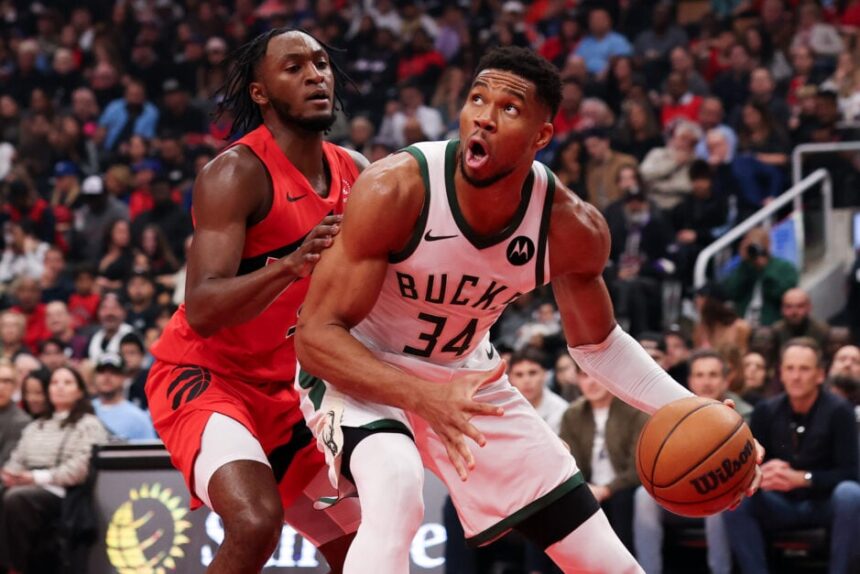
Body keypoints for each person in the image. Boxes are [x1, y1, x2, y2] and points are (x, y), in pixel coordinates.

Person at [295, 46, 761, 573]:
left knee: (608, 562)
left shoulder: (570, 227)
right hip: (358, 370)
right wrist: (423, 396)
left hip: (465, 376)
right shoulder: (398, 187)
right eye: (476, 99)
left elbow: (599, 346)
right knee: (397, 487)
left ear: (543, 136)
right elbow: (315, 336)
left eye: (509, 109)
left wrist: (697, 412)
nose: (484, 118)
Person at [144, 29, 367, 573]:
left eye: (320, 63)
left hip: (293, 392)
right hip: (207, 378)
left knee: (363, 544)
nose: (316, 75)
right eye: (294, 68)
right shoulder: (236, 173)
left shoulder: (357, 171)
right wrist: (291, 264)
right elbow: (203, 306)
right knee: (254, 523)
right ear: (260, 92)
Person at [724, 339, 860, 574]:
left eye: (804, 369)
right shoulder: (766, 410)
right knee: (738, 497)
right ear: (781, 374)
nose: (796, 376)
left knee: (850, 494)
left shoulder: (840, 411)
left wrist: (803, 478)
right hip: (779, 503)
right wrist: (763, 473)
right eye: (790, 369)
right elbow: (752, 465)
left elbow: (851, 472)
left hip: (824, 503)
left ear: (820, 375)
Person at [634, 350, 752, 574]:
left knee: (721, 497)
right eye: (699, 375)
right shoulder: (669, 412)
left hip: (721, 492)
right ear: (689, 380)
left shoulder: (745, 412)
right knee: (643, 495)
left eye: (713, 375)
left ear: (726, 380)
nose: (706, 382)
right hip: (681, 493)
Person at [1, 366, 108, 573]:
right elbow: (17, 459)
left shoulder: (88, 424)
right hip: (27, 485)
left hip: (64, 493)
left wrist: (36, 477)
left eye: (67, 383)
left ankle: (16, 568)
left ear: (79, 391)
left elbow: (80, 468)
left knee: (17, 499)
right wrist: (9, 475)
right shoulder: (35, 426)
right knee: (9, 493)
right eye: (54, 382)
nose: (59, 387)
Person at [560, 368, 648, 552]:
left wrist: (607, 489)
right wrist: (585, 489)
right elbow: (567, 464)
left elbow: (638, 467)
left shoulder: (635, 411)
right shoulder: (572, 415)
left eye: (596, 375)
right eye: (584, 376)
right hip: (586, 488)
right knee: (556, 505)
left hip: (624, 489)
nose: (591, 382)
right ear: (577, 379)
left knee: (622, 502)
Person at [722, 227, 798, 327]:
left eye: (758, 244)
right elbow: (730, 291)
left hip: (772, 324)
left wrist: (765, 268)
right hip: (744, 324)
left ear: (768, 244)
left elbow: (783, 295)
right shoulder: (743, 268)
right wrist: (744, 263)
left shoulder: (784, 267)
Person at [91, 352, 155, 441]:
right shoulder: (83, 410)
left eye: (114, 372)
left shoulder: (138, 418)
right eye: (102, 372)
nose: (107, 377)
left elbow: (150, 453)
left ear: (124, 377)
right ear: (94, 376)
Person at [509, 347, 568, 433]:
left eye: (532, 373)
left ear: (545, 374)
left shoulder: (563, 411)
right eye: (519, 375)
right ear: (510, 378)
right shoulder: (503, 410)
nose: (526, 380)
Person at [0, 359, 30, 467]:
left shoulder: (20, 421)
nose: (1, 387)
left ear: (16, 385)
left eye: (6, 381)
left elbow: (6, 465)